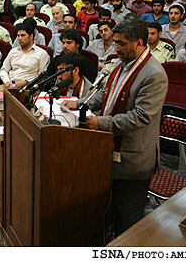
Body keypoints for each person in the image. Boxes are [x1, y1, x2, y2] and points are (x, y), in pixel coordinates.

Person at [64, 19, 168, 235]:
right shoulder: (123, 64)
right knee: (110, 210)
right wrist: (80, 103)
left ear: (139, 43)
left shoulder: (154, 74)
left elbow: (140, 117)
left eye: (121, 44)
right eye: (116, 43)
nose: (116, 48)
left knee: (127, 220)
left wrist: (97, 122)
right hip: (109, 149)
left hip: (133, 157)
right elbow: (106, 93)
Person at [0, 23, 49, 91]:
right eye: (18, 36)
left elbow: (41, 76)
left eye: (23, 35)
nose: (19, 38)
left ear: (31, 36)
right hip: (9, 86)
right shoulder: (13, 51)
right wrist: (6, 81)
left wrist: (26, 82)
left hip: (28, 88)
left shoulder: (42, 54)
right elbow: (4, 69)